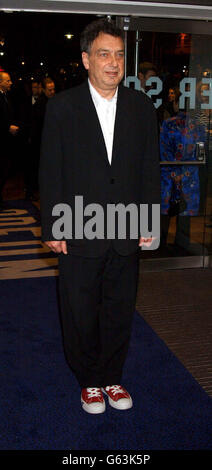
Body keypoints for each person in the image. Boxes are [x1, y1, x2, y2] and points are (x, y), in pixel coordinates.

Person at [39, 19, 160, 414]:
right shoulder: (62, 107)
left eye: (119, 55)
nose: (113, 63)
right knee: (78, 308)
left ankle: (111, 376)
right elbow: (50, 169)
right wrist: (54, 227)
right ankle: (89, 381)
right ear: (86, 59)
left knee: (119, 307)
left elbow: (148, 168)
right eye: (104, 54)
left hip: (126, 226)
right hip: (78, 225)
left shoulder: (142, 107)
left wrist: (148, 220)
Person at [31, 77, 55, 197]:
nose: (52, 92)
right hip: (41, 141)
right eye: (49, 90)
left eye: (53, 89)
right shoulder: (40, 104)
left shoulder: (55, 101)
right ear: (44, 90)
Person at [0, 71, 19, 207]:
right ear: (0, 82)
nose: (10, 83)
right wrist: (8, 127)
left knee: (5, 169)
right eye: (8, 81)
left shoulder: (6, 97)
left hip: (6, 142)